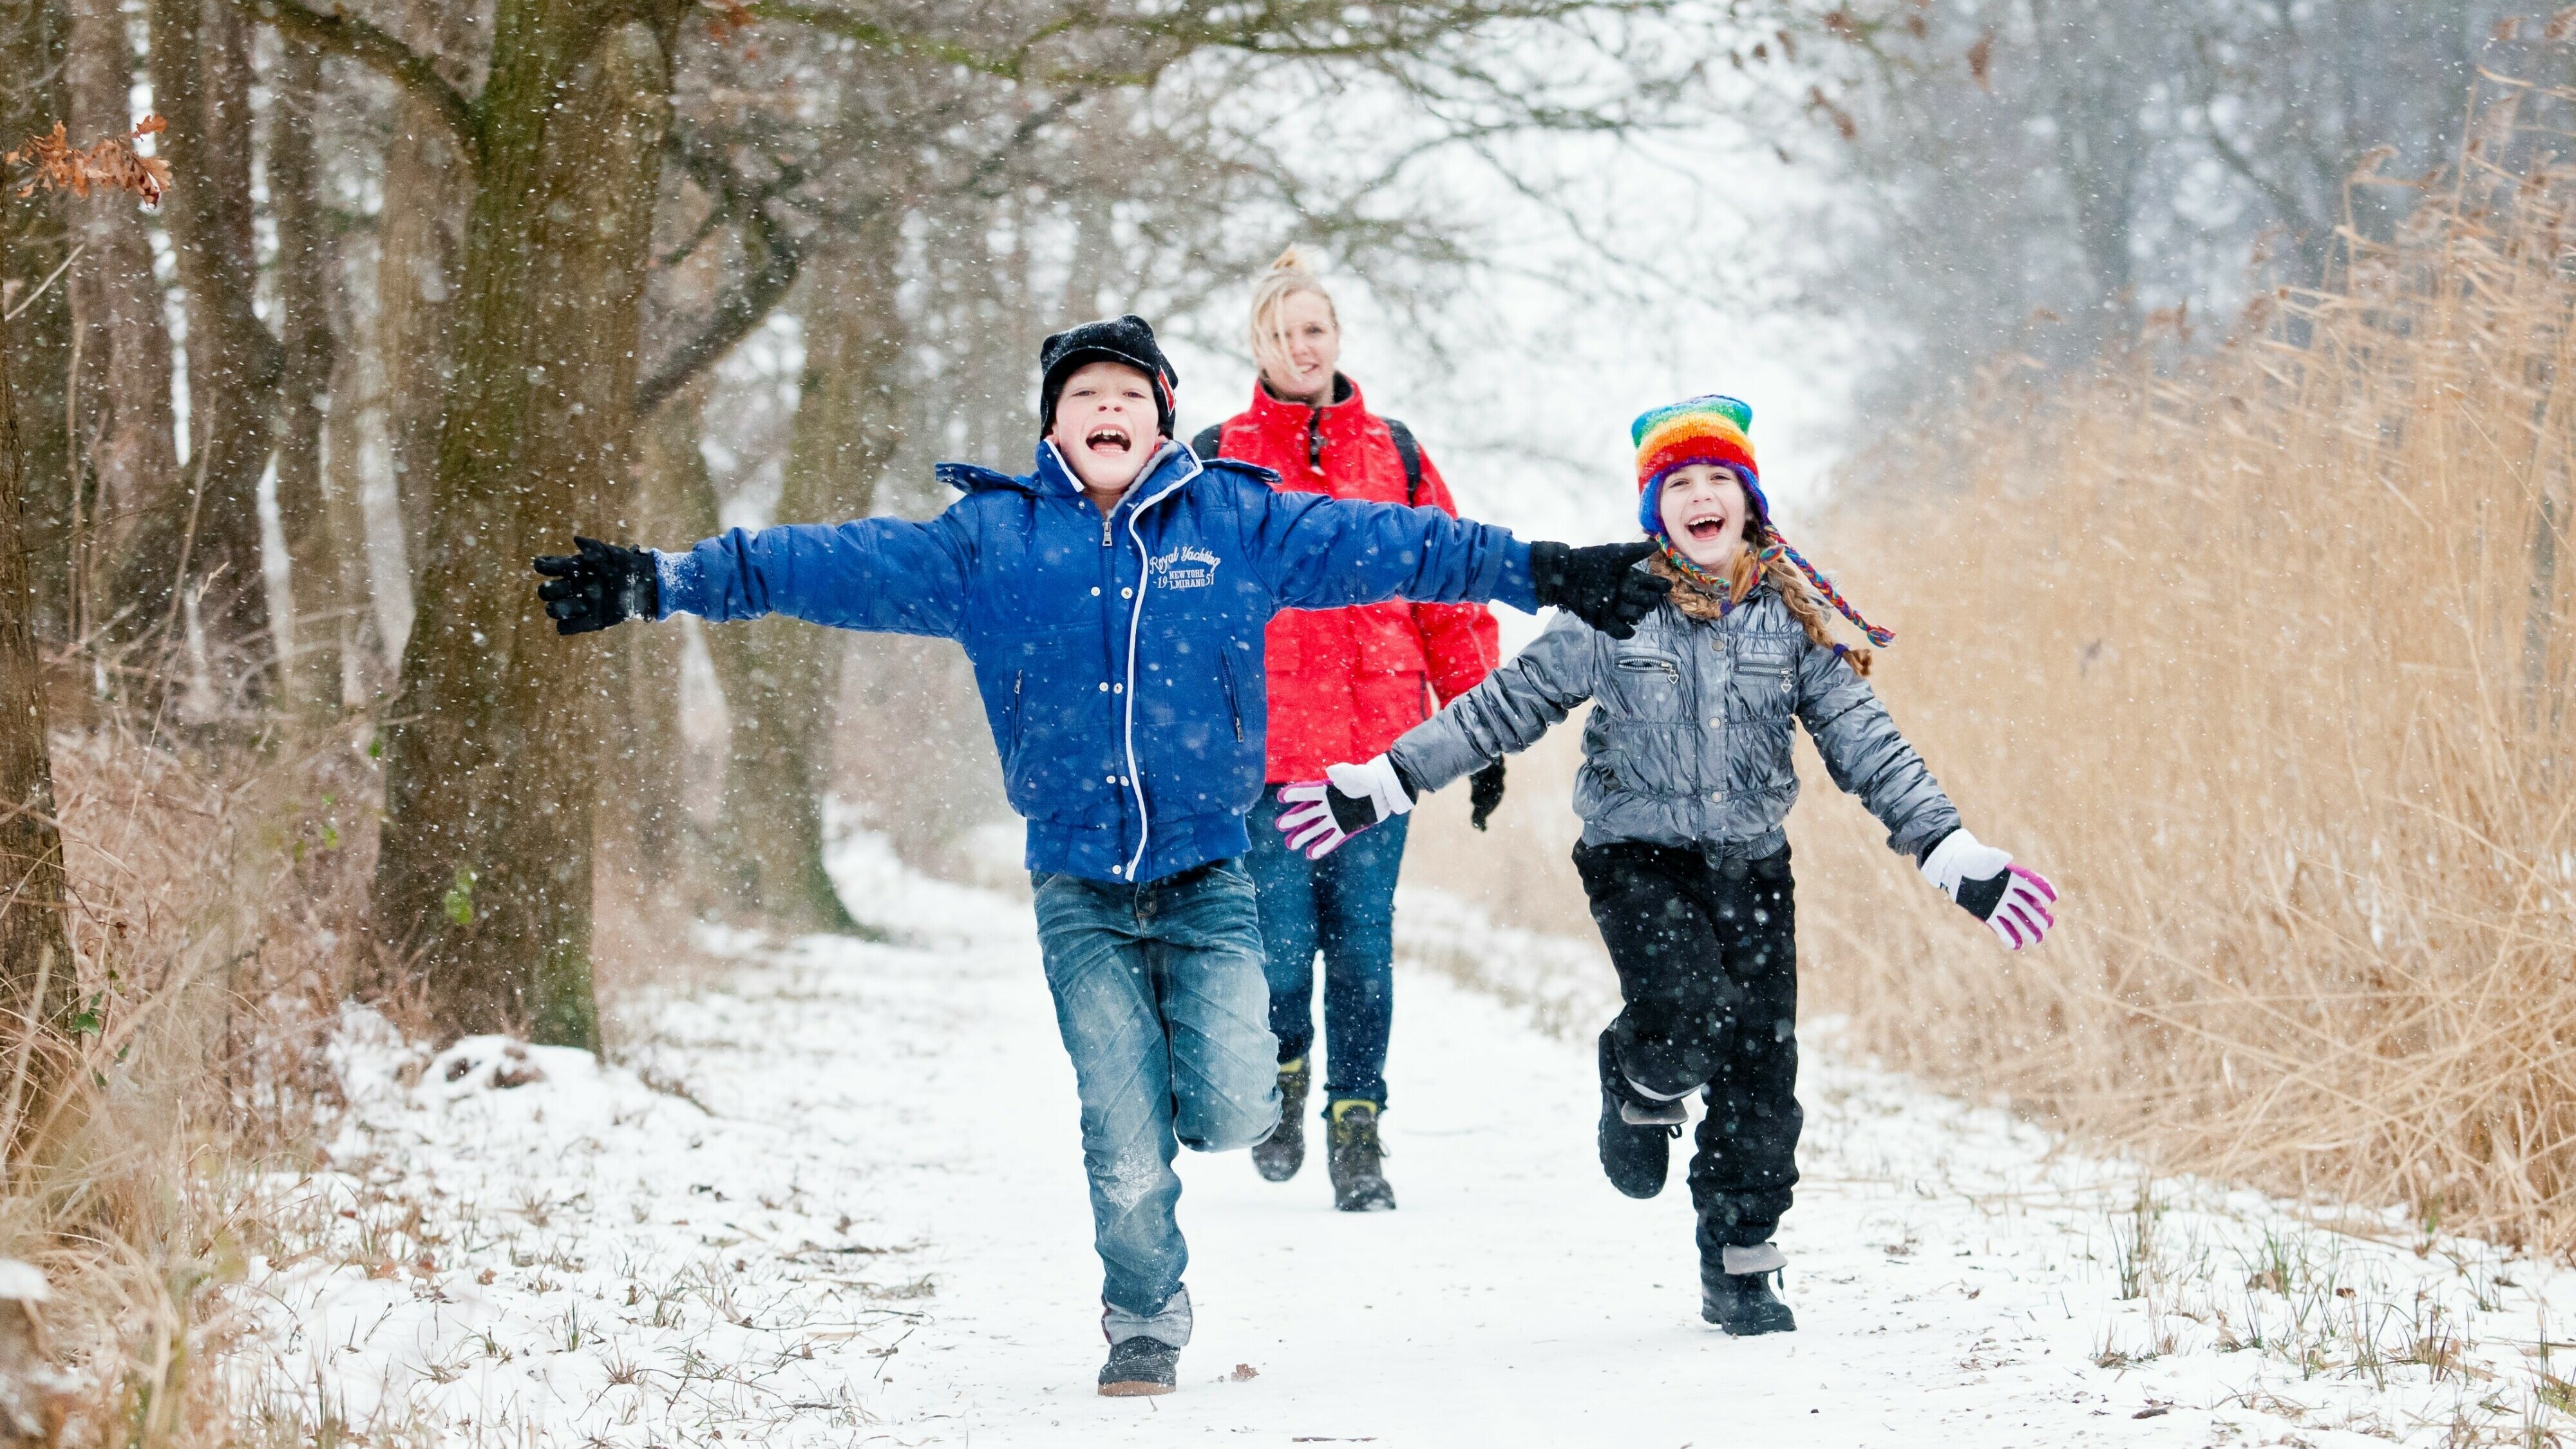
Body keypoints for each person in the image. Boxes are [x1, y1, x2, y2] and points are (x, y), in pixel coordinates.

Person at [529, 316, 1674, 1395]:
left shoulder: (1236, 522)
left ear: (1164, 419)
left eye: (1130, 393)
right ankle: (1143, 1312)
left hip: (1208, 875)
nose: (1108, 409)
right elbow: (830, 563)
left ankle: (1194, 1071)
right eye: (1086, 396)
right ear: (1054, 426)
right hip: (1078, 885)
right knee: (1121, 1133)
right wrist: (664, 580)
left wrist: (1543, 568)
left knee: (1233, 1109)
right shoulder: (995, 540)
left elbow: (1390, 543)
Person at [1272, 393, 2060, 1338]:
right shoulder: (1617, 607)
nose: (1699, 496)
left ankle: (1740, 1262)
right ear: (1655, 509)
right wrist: (1389, 779)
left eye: (1717, 478)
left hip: (1754, 866)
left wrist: (1946, 846)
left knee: (1763, 1070)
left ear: (1749, 499)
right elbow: (1502, 707)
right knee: (1687, 1013)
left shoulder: (1792, 617)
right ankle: (1638, 1079)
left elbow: (1866, 741)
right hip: (1634, 857)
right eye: (1677, 483)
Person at [1191, 251, 1504, 1211]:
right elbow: (1180, 608)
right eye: (1282, 332)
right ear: (1260, 345)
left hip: (1380, 750)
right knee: (1280, 946)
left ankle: (1357, 1128)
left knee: (1363, 945)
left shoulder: (1395, 454)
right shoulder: (1214, 456)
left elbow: (1447, 589)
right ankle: (1283, 1081)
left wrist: (1477, 726)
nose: (1301, 345)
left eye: (1314, 328)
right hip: (1267, 756)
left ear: (1336, 338)